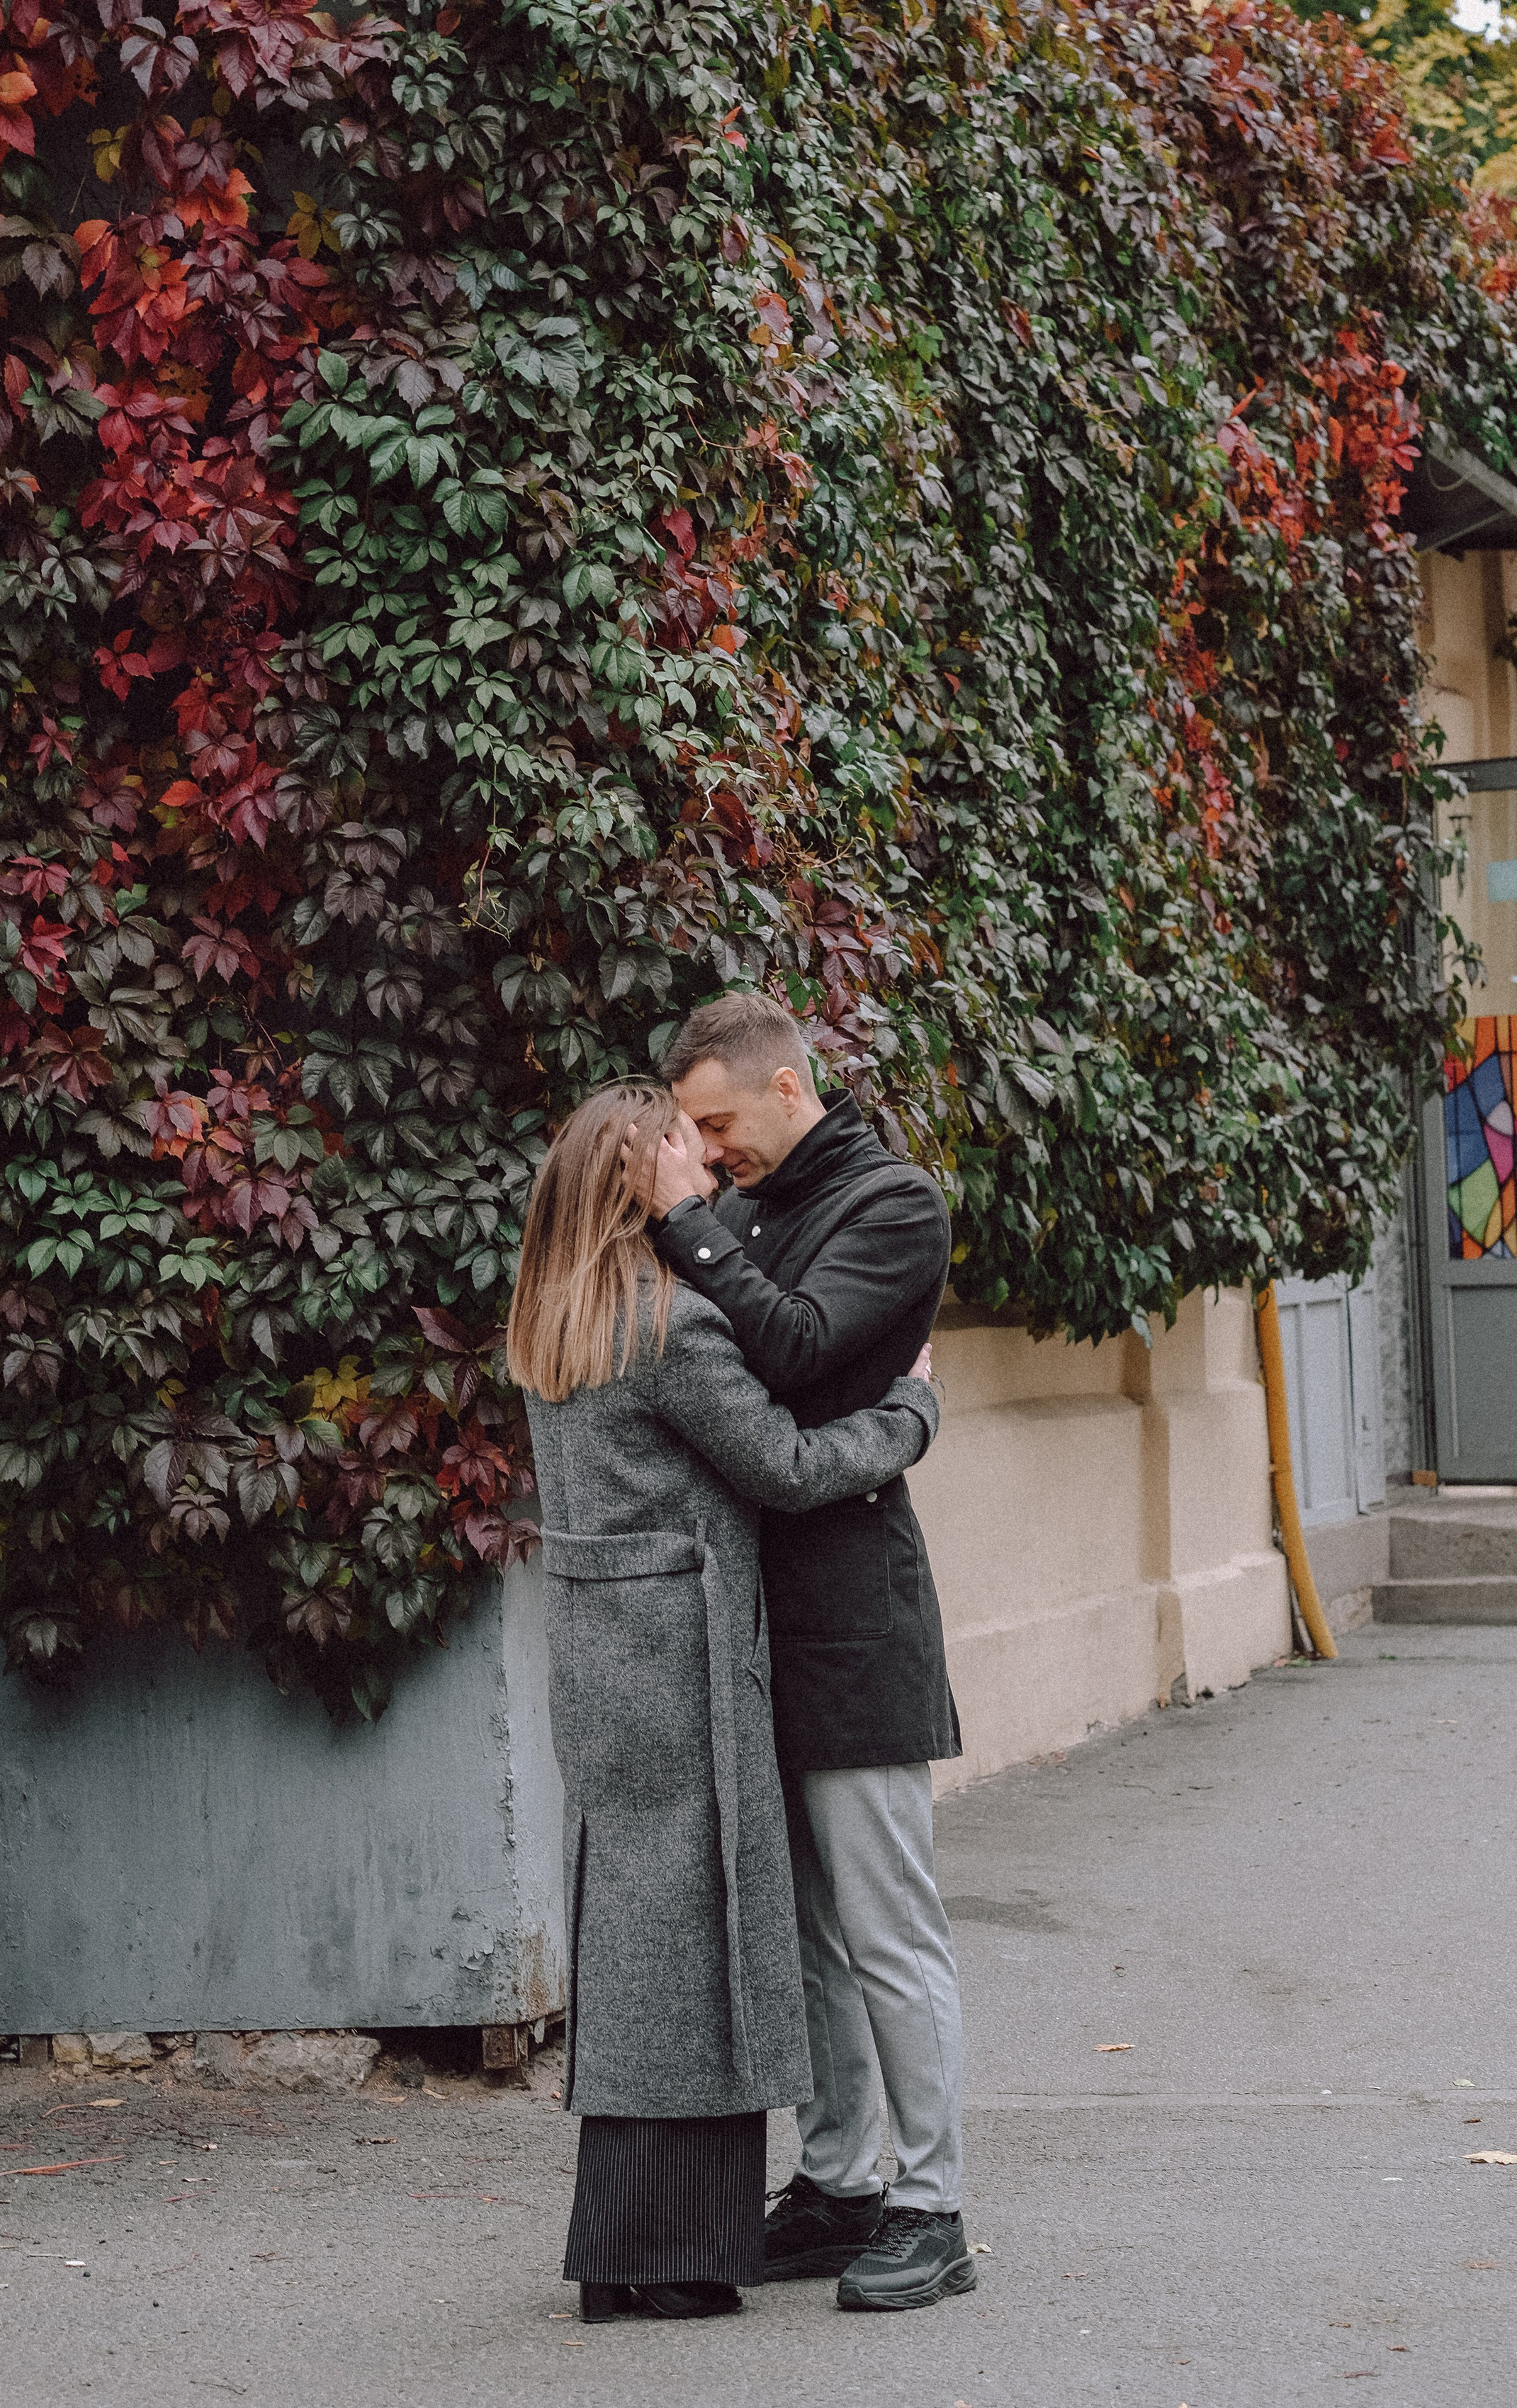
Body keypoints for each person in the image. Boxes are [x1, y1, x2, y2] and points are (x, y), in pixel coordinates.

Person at [507, 1077, 940, 2324]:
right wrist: (910, 1411)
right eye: (682, 1161)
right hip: (685, 1652)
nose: (706, 1175)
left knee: (637, 1931)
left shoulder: (554, 1318)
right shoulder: (669, 1328)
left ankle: (632, 2248)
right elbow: (790, 1466)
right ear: (640, 1182)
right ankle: (678, 2254)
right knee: (701, 1940)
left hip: (602, 1652)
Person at [636, 990, 972, 2312]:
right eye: (693, 1139)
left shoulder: (896, 1208)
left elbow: (793, 1357)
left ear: (787, 1089)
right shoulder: (756, 1208)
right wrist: (710, 1227)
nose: (708, 1155)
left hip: (857, 1622)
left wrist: (686, 1225)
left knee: (890, 1931)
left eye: (719, 1125)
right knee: (812, 1940)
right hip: (754, 1620)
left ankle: (934, 2209)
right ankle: (840, 2188)